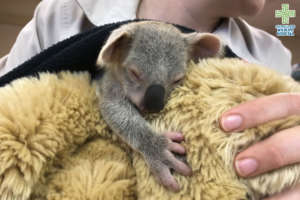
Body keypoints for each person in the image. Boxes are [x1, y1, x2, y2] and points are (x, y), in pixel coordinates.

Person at [0, 0, 297, 199]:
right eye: (135, 74)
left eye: (177, 80)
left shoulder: (274, 58)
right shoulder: (59, 15)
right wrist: (149, 143)